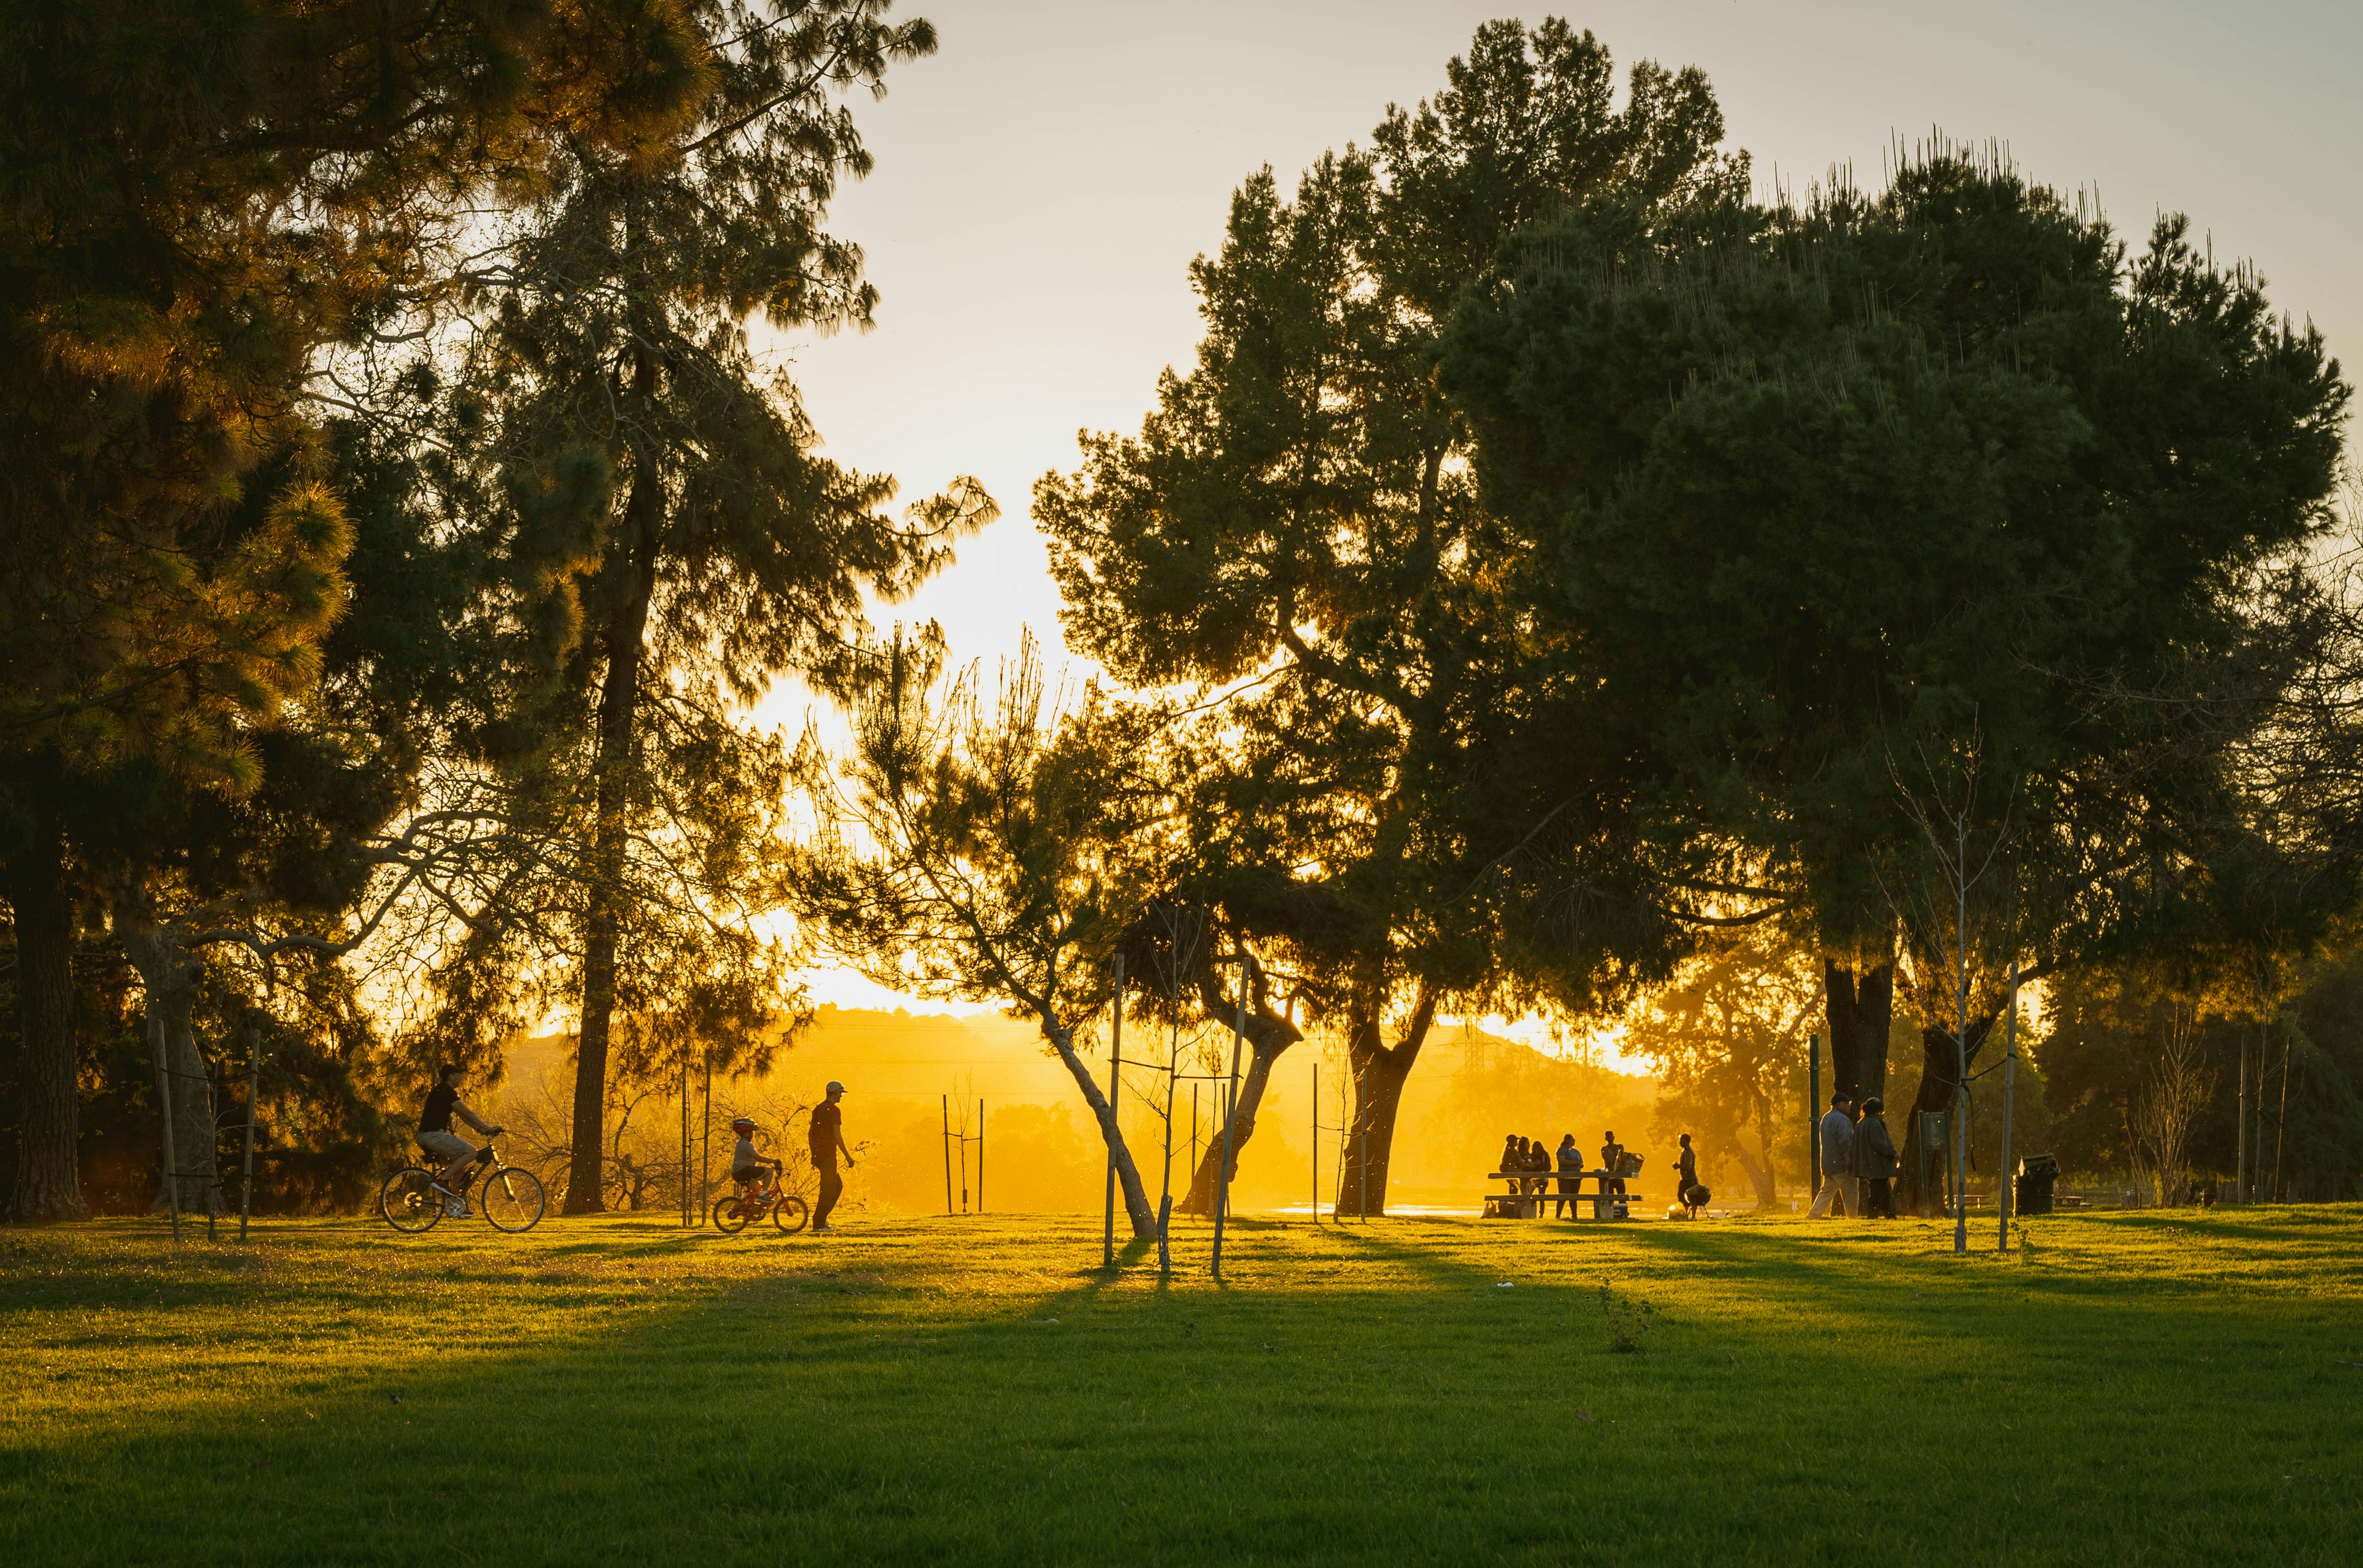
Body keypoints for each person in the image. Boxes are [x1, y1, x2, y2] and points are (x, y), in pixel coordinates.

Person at [416, 1065, 500, 1219]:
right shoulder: (446, 1091)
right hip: (432, 1135)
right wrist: (488, 1128)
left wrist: (481, 1129)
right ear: (451, 1077)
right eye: (458, 1075)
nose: (461, 1078)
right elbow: (467, 1112)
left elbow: (463, 1117)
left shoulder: (443, 1091)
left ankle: (456, 1207)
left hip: (429, 1136)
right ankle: (442, 1181)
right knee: (471, 1152)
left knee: (460, 1165)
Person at [809, 1080, 855, 1232]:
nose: (841, 1096)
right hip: (828, 1155)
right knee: (828, 1190)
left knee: (835, 1186)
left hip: (819, 1155)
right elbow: (837, 1135)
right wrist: (848, 1156)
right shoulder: (834, 1111)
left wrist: (814, 1154)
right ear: (834, 1093)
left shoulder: (818, 1109)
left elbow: (811, 1134)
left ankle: (821, 1219)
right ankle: (819, 1223)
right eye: (840, 1093)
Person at [1808, 1094, 1858, 1218]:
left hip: (1828, 1164)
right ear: (1839, 1104)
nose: (1849, 1106)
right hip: (1841, 1165)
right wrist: (1850, 1161)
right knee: (1851, 1192)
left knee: (1826, 1192)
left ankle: (1813, 1216)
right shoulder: (1843, 1120)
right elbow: (1845, 1144)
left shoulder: (1826, 1118)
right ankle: (1853, 1218)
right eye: (1847, 1104)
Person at [1853, 1097, 1899, 1218]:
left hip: (1867, 1162)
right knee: (1878, 1191)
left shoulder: (1861, 1123)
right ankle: (1874, 1214)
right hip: (1877, 1163)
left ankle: (1889, 1214)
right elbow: (1880, 1144)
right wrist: (1893, 1153)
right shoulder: (1874, 1124)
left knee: (1881, 1190)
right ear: (1877, 1111)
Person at [728, 1116, 779, 1190]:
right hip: (745, 1172)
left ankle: (755, 1197)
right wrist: (774, 1161)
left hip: (739, 1173)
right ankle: (764, 1195)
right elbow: (758, 1158)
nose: (752, 1135)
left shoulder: (741, 1143)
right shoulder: (747, 1145)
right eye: (751, 1132)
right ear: (746, 1133)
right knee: (770, 1171)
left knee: (758, 1188)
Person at [1674, 1133, 1707, 1217]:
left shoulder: (1688, 1152)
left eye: (1681, 1141)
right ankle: (1686, 1215)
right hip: (1685, 1179)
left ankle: (1692, 1216)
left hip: (1690, 1179)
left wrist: (1678, 1166)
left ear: (1686, 1141)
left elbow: (1688, 1167)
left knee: (1692, 1197)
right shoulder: (1684, 1151)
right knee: (1682, 1196)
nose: (1680, 1142)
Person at [1554, 1133, 1584, 1218]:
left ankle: (1574, 1214)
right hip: (1565, 1177)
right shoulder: (1562, 1150)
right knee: (1563, 1196)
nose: (1574, 1141)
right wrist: (1575, 1163)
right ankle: (1558, 1215)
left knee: (1574, 1196)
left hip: (1576, 1177)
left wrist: (1580, 1164)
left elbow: (1581, 1163)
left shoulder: (1576, 1151)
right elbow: (1562, 1161)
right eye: (1572, 1140)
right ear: (1567, 1140)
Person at [1601, 1130, 1628, 1198]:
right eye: (1608, 1138)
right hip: (1609, 1177)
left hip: (1619, 1176)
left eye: (1611, 1138)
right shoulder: (1604, 1149)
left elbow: (1622, 1158)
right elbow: (1607, 1159)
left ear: (1614, 1138)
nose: (1610, 1139)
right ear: (1606, 1139)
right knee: (1610, 1199)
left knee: (1622, 1197)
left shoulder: (1619, 1147)